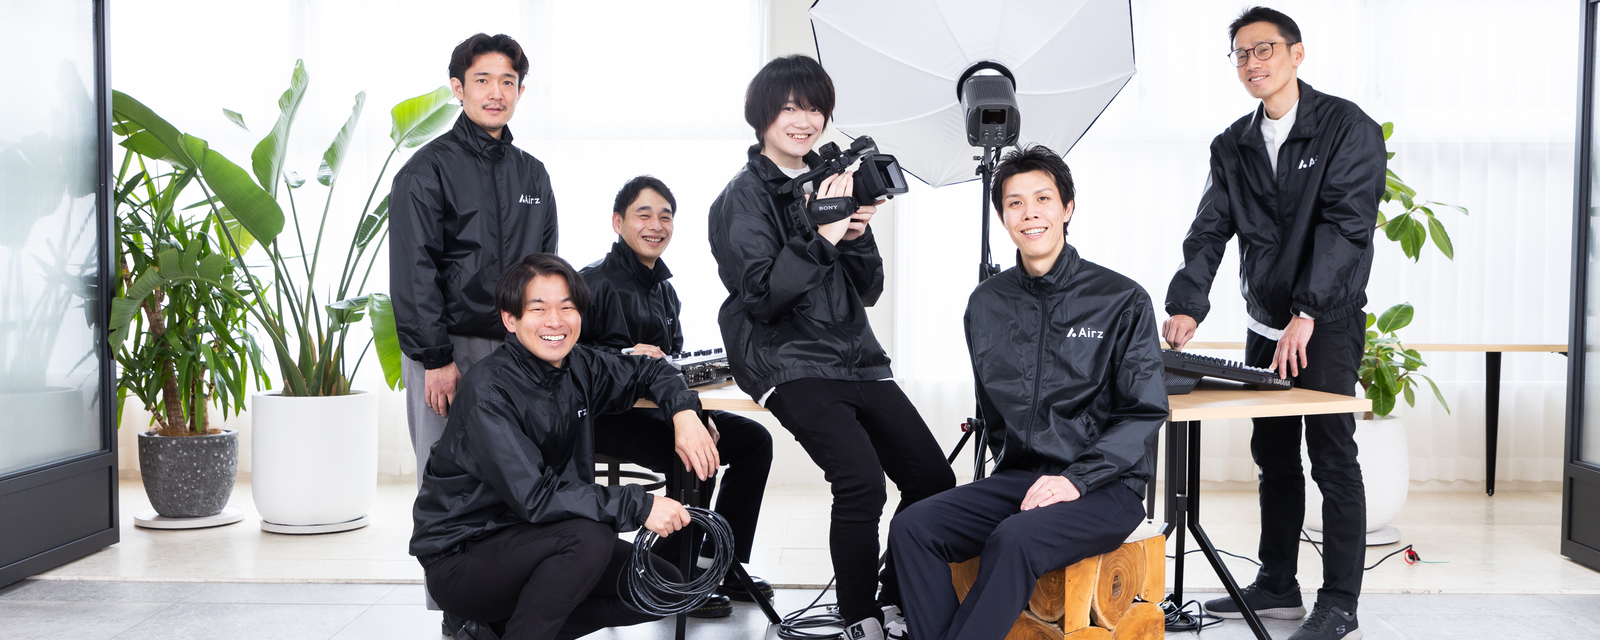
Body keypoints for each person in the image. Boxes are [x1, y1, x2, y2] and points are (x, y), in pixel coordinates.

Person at [708, 54, 956, 640]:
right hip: (788, 361)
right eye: (790, 107)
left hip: (857, 358)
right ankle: (859, 618)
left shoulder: (828, 181)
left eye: (815, 108)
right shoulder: (741, 198)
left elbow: (867, 290)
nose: (805, 120)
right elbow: (762, 297)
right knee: (861, 482)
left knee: (932, 479)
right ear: (761, 114)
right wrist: (821, 234)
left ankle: (895, 600)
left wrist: (856, 234)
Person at [1163, 7, 1385, 640]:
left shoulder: (1346, 127)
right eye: (1240, 53)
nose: (1252, 62)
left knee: (1332, 457)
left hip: (1327, 321)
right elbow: (1210, 228)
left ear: (1296, 53)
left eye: (1264, 49)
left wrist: (1307, 311)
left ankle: (1339, 603)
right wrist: (1186, 303)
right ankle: (1278, 585)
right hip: (1266, 323)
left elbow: (1346, 227)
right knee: (1274, 455)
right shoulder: (1232, 144)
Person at [888, 146, 1167, 640]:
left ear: (1067, 208)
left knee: (1015, 539)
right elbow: (992, 409)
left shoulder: (1121, 299)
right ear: (1002, 217)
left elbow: (1143, 412)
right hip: (1022, 478)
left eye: (1043, 199)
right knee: (913, 527)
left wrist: (1077, 479)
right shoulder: (986, 303)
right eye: (1015, 203)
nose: (1030, 213)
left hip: (1107, 487)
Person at [411, 253, 720, 640]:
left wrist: (685, 415)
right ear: (510, 319)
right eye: (538, 309)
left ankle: (497, 630)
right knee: (589, 538)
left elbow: (651, 369)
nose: (555, 321)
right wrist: (640, 505)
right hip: (464, 555)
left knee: (661, 586)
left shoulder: (579, 365)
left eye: (567, 307)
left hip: (536, 537)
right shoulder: (488, 392)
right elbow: (535, 496)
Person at [387, 32, 558, 626]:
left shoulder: (533, 173)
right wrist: (435, 358)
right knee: (447, 478)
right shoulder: (426, 170)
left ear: (520, 91)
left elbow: (546, 269)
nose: (495, 92)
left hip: (518, 351)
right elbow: (413, 270)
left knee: (514, 473)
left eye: (508, 81)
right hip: (449, 348)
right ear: (457, 89)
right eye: (482, 80)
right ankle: (454, 608)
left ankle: (502, 597)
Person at [577, 175, 776, 618]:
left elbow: (673, 367)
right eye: (643, 214)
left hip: (659, 413)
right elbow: (564, 356)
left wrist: (697, 412)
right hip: (603, 418)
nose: (656, 225)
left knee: (753, 441)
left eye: (665, 216)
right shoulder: (590, 282)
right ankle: (672, 578)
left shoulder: (665, 290)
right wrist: (623, 356)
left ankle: (718, 562)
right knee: (691, 452)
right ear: (617, 222)